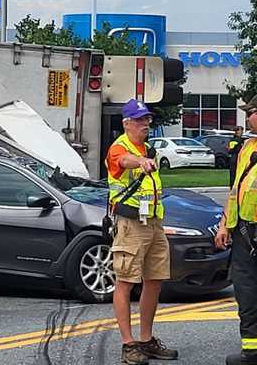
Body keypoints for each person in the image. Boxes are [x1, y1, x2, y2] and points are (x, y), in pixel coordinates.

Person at [106, 98, 178, 365]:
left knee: (155, 281)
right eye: (139, 119)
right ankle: (128, 345)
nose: (145, 123)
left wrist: (144, 158)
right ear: (127, 123)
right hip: (131, 224)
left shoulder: (148, 148)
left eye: (147, 119)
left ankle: (146, 341)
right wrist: (139, 161)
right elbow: (123, 161)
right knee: (125, 282)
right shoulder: (119, 148)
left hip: (153, 223)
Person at [216, 96, 257, 365]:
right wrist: (225, 225)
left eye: (251, 112)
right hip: (245, 232)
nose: (247, 117)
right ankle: (252, 351)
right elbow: (236, 190)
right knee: (245, 292)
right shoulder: (246, 147)